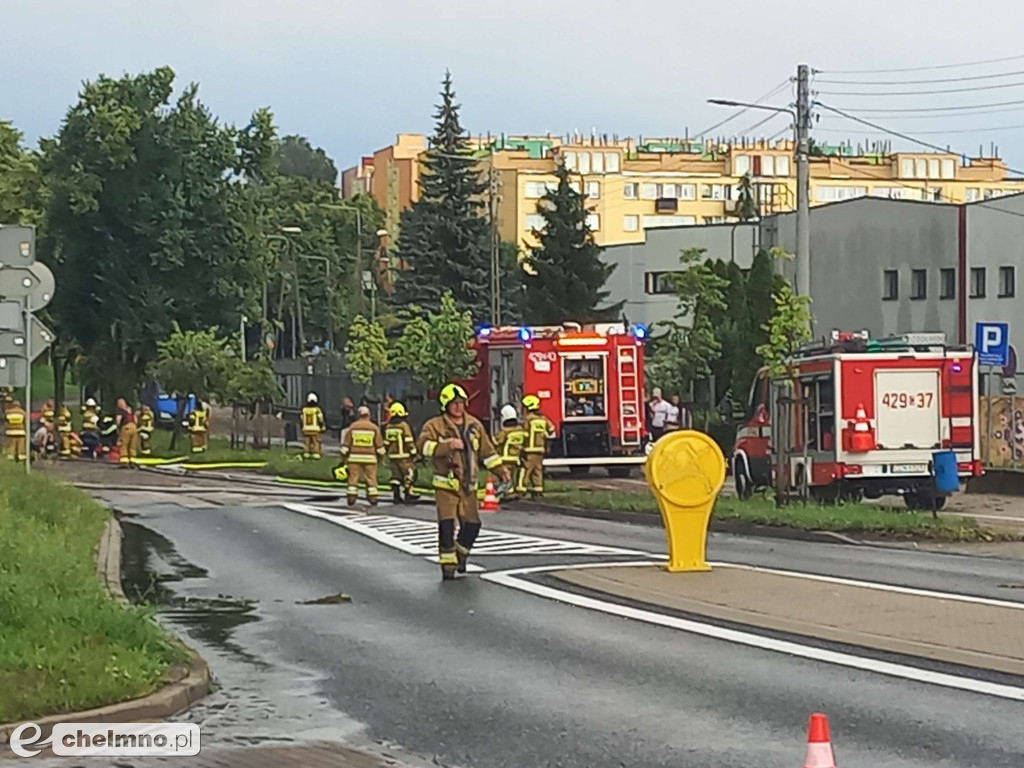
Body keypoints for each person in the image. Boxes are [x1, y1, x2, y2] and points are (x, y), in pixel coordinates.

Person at [418, 383, 509, 580]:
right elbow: (423, 447)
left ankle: (461, 554)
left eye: (461, 403)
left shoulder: (475, 426)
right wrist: (446, 446)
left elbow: (487, 452)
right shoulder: (434, 426)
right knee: (447, 525)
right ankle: (448, 566)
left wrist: (501, 471)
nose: (459, 407)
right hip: (446, 486)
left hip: (469, 486)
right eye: (454, 403)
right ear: (445, 405)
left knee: (472, 526)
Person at [340, 405, 386, 506]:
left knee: (353, 478)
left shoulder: (353, 427)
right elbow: (379, 446)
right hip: (370, 459)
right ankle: (373, 498)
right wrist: (382, 458)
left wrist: (343, 458)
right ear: (368, 415)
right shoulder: (374, 428)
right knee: (371, 478)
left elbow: (346, 444)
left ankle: (351, 498)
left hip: (354, 459)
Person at [518, 394, 557, 498]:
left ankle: (521, 490)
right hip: (540, 450)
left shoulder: (528, 419)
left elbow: (524, 434)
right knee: (537, 470)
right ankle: (538, 490)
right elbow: (552, 431)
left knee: (525, 470)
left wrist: (520, 447)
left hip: (529, 450)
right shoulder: (543, 419)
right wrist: (547, 444)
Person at [385, 401, 419, 504]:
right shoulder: (404, 425)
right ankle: (408, 494)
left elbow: (386, 442)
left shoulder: (389, 427)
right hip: (404, 456)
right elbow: (408, 440)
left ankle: (396, 496)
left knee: (396, 476)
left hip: (392, 456)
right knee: (410, 473)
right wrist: (414, 451)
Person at [493, 404, 525, 498]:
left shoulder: (505, 431)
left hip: (504, 458)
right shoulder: (519, 430)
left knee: (504, 476)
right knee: (512, 475)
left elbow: (496, 441)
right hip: (515, 458)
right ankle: (510, 492)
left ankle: (506, 493)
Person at [301, 393, 325, 459]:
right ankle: (316, 454)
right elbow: (320, 418)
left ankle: (306, 453)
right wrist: (322, 426)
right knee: (316, 442)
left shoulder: (304, 410)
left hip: (306, 429)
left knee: (307, 442)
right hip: (315, 429)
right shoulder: (317, 410)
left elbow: (302, 419)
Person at [116, 398, 139, 466]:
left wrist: (119, 428)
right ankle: (133, 461)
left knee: (124, 445)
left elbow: (118, 420)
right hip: (134, 428)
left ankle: (124, 462)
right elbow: (136, 420)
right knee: (133, 445)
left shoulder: (120, 412)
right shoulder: (131, 410)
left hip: (126, 427)